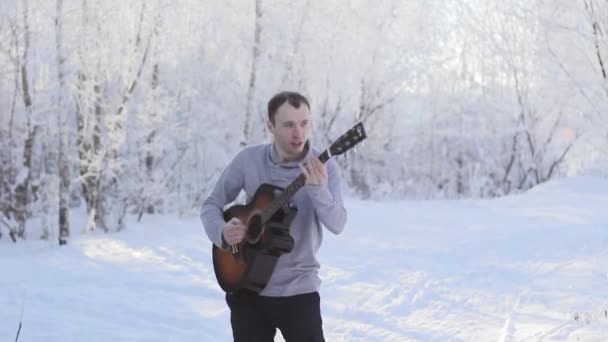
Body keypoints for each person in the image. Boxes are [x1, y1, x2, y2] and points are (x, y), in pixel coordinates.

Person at [201, 91, 347, 341]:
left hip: (299, 291)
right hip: (246, 289)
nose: (298, 133)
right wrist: (222, 233)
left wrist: (318, 190)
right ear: (270, 126)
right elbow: (211, 205)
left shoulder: (323, 167)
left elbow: (338, 224)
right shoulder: (248, 159)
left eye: (304, 123)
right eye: (289, 125)